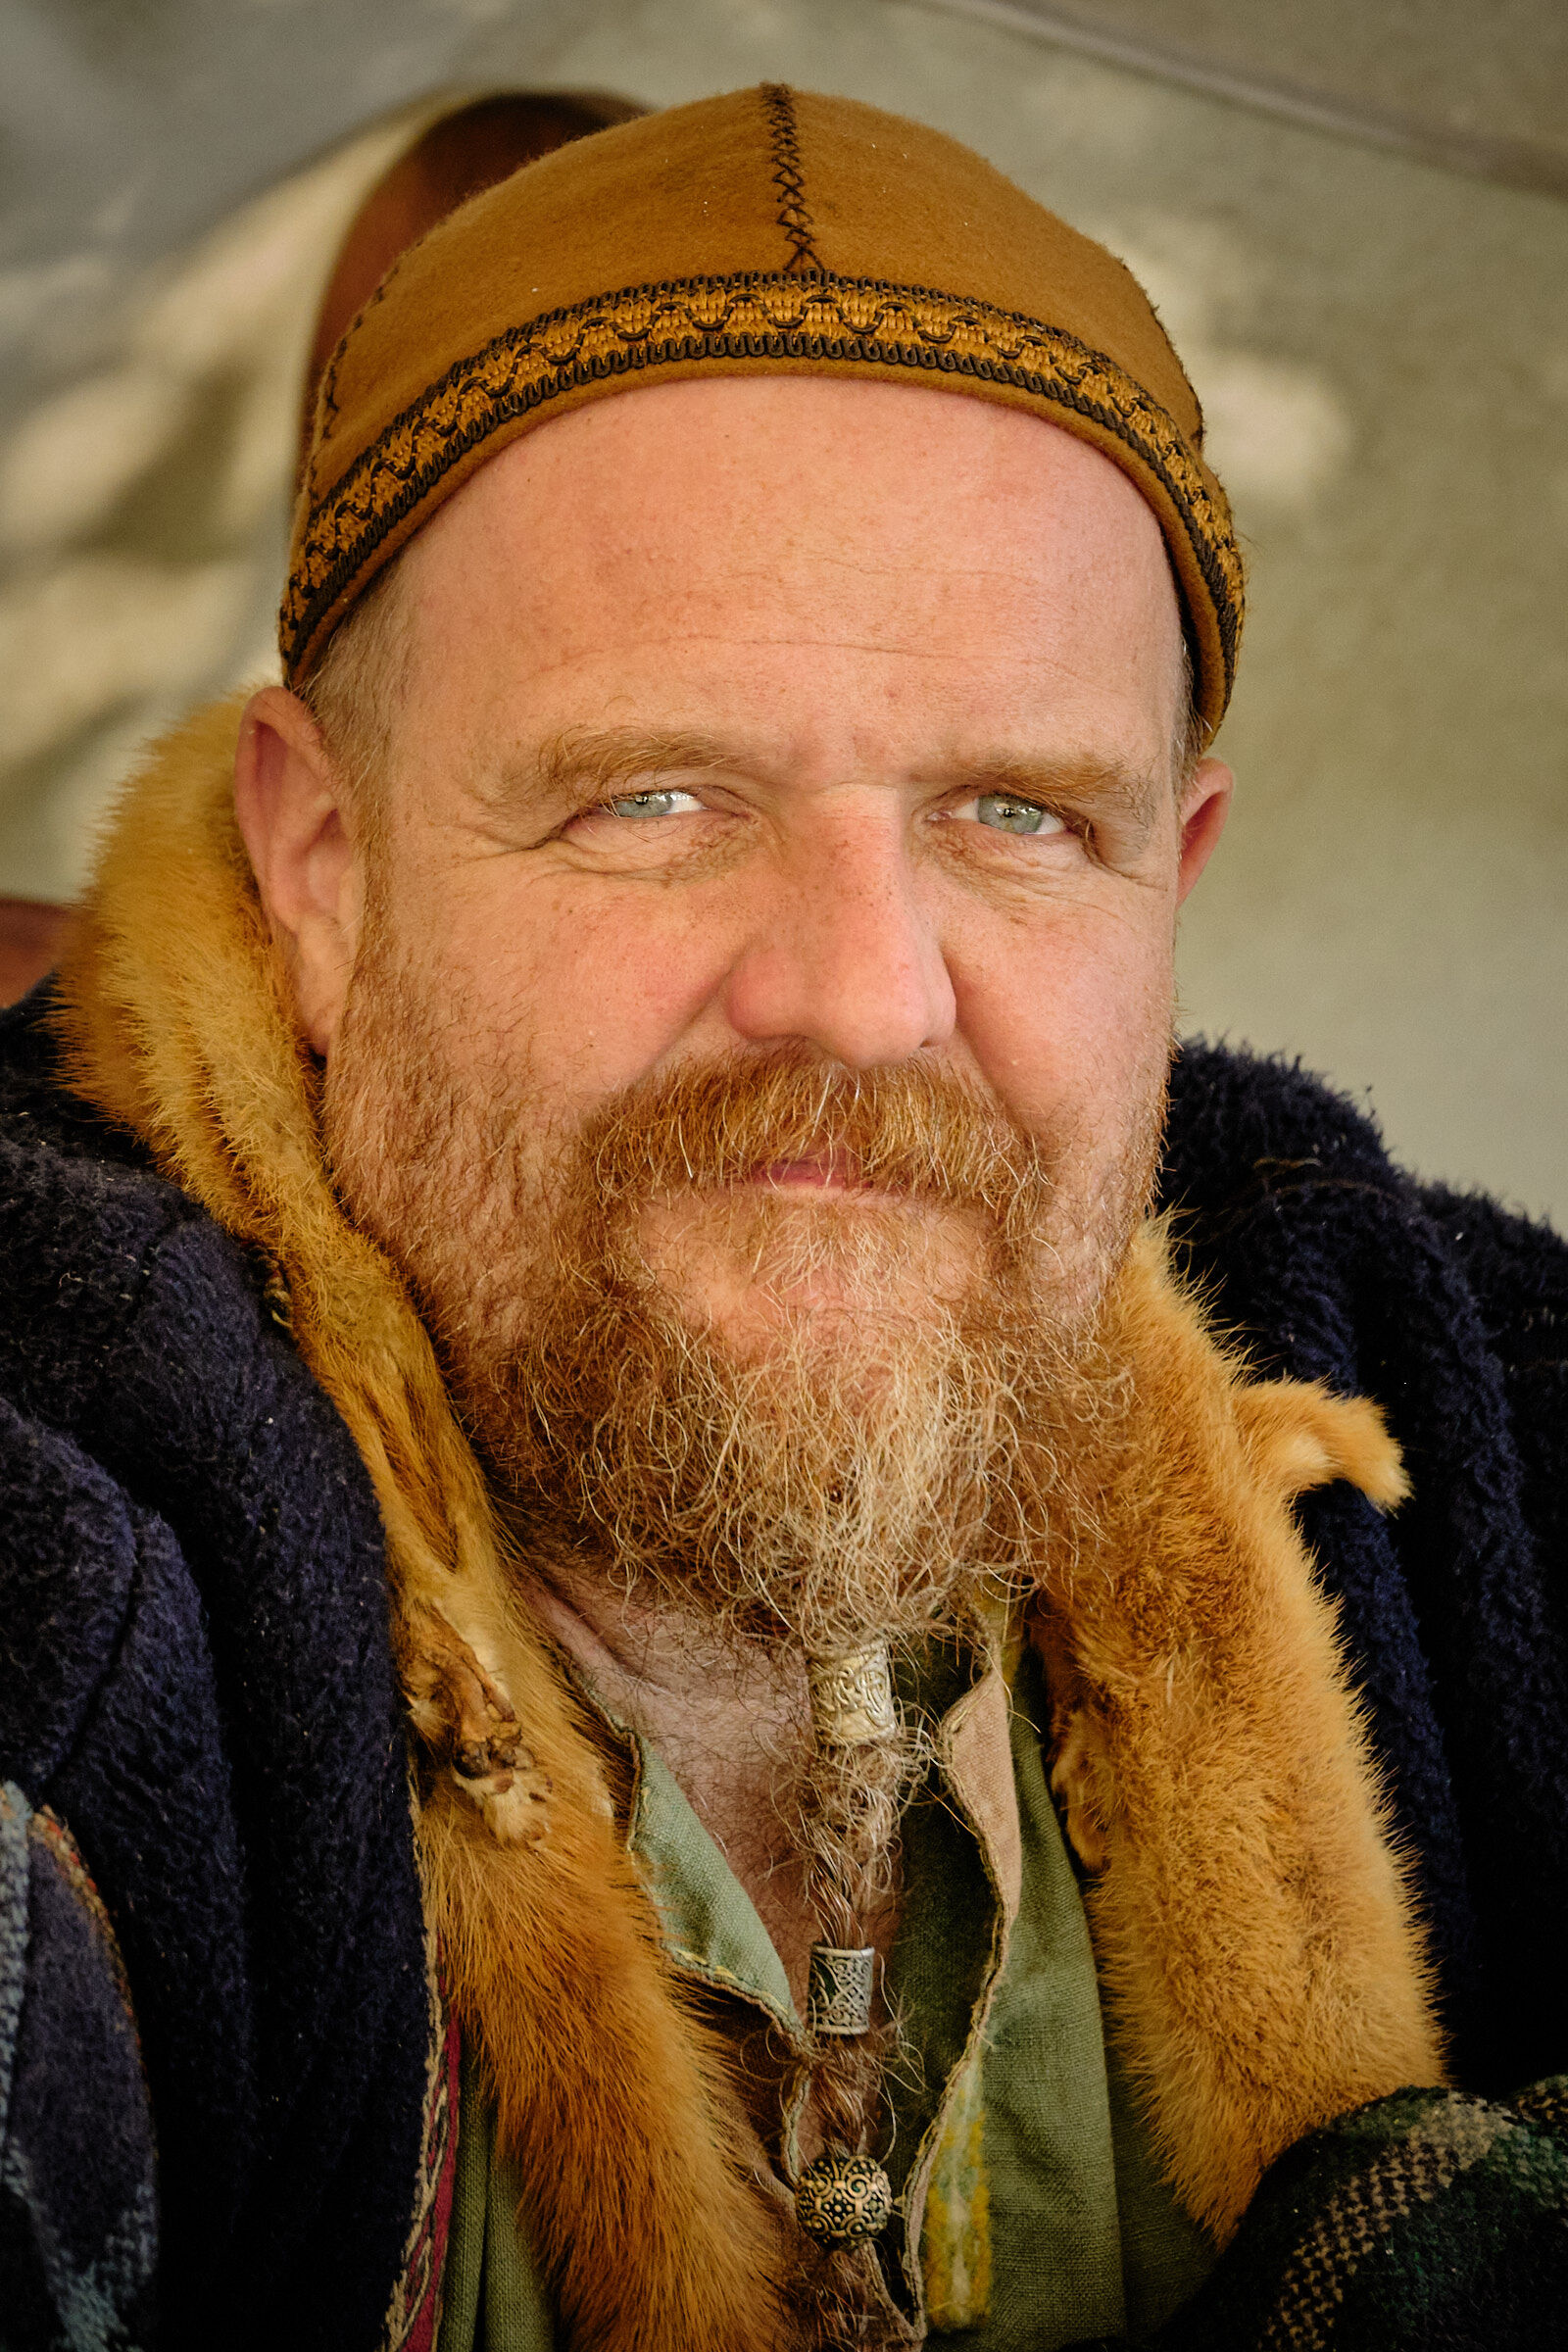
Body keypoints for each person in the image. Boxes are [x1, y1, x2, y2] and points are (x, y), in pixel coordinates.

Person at [0, 84, 1563, 2352]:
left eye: (1017, 815)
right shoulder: (74, 1546)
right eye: (653, 796)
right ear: (320, 872)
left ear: (1171, 880)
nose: (858, 992)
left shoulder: (1461, 1410)